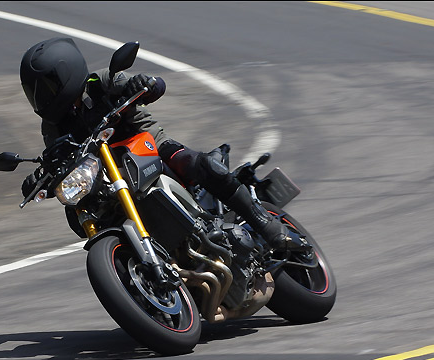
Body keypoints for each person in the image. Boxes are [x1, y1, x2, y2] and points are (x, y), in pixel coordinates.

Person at [19, 37, 296, 252]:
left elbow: (154, 85)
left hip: (149, 146)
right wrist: (42, 176)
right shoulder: (52, 125)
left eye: (47, 87)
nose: (42, 97)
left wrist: (145, 85)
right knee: (78, 213)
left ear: (67, 72)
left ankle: (264, 223)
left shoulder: (100, 81)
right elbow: (57, 155)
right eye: (36, 92)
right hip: (108, 175)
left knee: (202, 165)